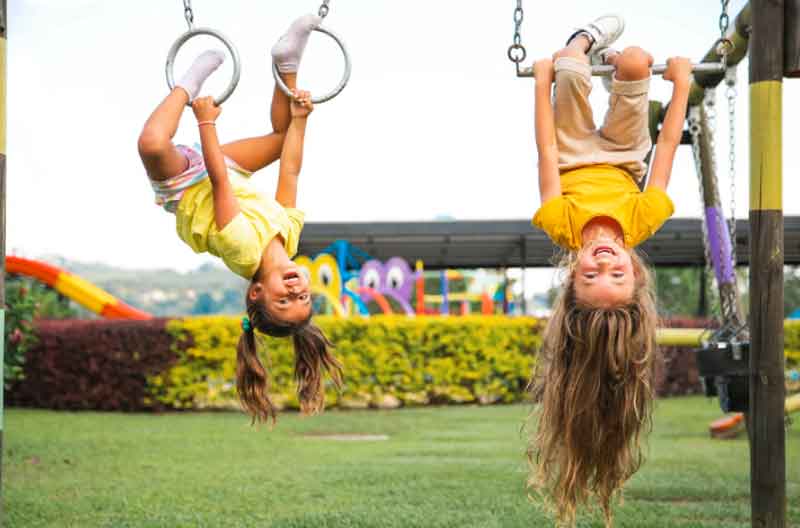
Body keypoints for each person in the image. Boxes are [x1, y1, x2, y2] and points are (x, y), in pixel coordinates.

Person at [525, 14, 693, 526]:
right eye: (615, 277)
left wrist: (540, 85)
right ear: (636, 275)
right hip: (624, 157)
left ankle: (585, 40)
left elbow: (547, 152)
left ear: (570, 276)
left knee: (571, 68)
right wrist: (682, 85)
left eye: (589, 278)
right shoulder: (642, 222)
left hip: (574, 155)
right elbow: (665, 149)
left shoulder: (561, 225)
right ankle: (617, 62)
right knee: (639, 60)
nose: (602, 265)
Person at [137, 14, 342, 425]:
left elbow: (218, 187)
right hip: (228, 168)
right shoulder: (290, 236)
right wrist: (301, 120)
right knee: (285, 137)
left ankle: (186, 84)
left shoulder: (243, 250)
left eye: (283, 300)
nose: (296, 289)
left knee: (152, 143)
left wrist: (206, 120)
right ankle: (287, 61)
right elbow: (290, 171)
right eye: (302, 297)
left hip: (188, 185)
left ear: (256, 293)